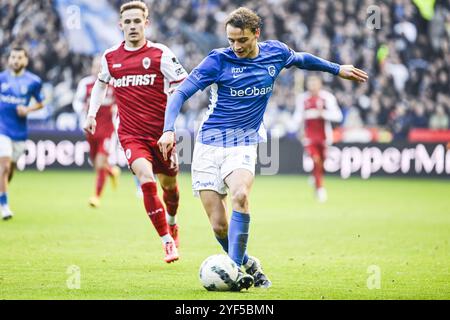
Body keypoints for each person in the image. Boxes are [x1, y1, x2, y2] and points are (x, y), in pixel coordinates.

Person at [158, 7, 368, 290]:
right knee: (219, 226)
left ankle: (233, 271)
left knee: (241, 195)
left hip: (243, 141)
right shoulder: (217, 61)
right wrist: (168, 128)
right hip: (208, 144)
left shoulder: (275, 53)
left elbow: (301, 59)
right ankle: (248, 265)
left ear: (256, 33)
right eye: (231, 40)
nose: (236, 46)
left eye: (242, 40)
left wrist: (336, 68)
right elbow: (181, 92)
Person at [84, 1, 188, 263]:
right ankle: (166, 242)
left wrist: (172, 117)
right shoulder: (110, 58)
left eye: (137, 21)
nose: (132, 26)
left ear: (146, 23)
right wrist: (91, 114)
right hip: (131, 135)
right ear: (120, 25)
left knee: (170, 188)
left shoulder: (160, 54)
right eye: (127, 22)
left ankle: (173, 223)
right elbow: (100, 85)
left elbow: (183, 84)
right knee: (145, 179)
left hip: (161, 134)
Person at [0, 47, 45, 220]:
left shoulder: (33, 81)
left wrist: (27, 109)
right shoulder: (1, 78)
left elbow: (41, 103)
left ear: (25, 61)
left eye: (19, 57)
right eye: (13, 57)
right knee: (3, 167)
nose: (16, 60)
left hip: (19, 132)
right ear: (9, 59)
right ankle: (4, 206)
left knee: (9, 170)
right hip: (1, 128)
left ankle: (1, 194)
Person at [73, 56, 121, 208]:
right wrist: (81, 108)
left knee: (100, 162)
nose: (98, 69)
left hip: (108, 130)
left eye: (101, 66)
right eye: (95, 66)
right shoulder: (85, 83)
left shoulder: (114, 84)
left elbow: (121, 103)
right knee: (95, 161)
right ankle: (112, 172)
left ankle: (96, 196)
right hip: (91, 128)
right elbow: (77, 101)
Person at [293, 75, 343, 203]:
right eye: (310, 83)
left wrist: (323, 114)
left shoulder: (327, 98)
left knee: (323, 162)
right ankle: (320, 189)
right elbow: (297, 117)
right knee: (316, 159)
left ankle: (315, 178)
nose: (312, 86)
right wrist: (295, 124)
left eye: (315, 83)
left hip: (324, 136)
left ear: (320, 84)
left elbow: (338, 116)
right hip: (309, 136)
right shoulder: (302, 99)